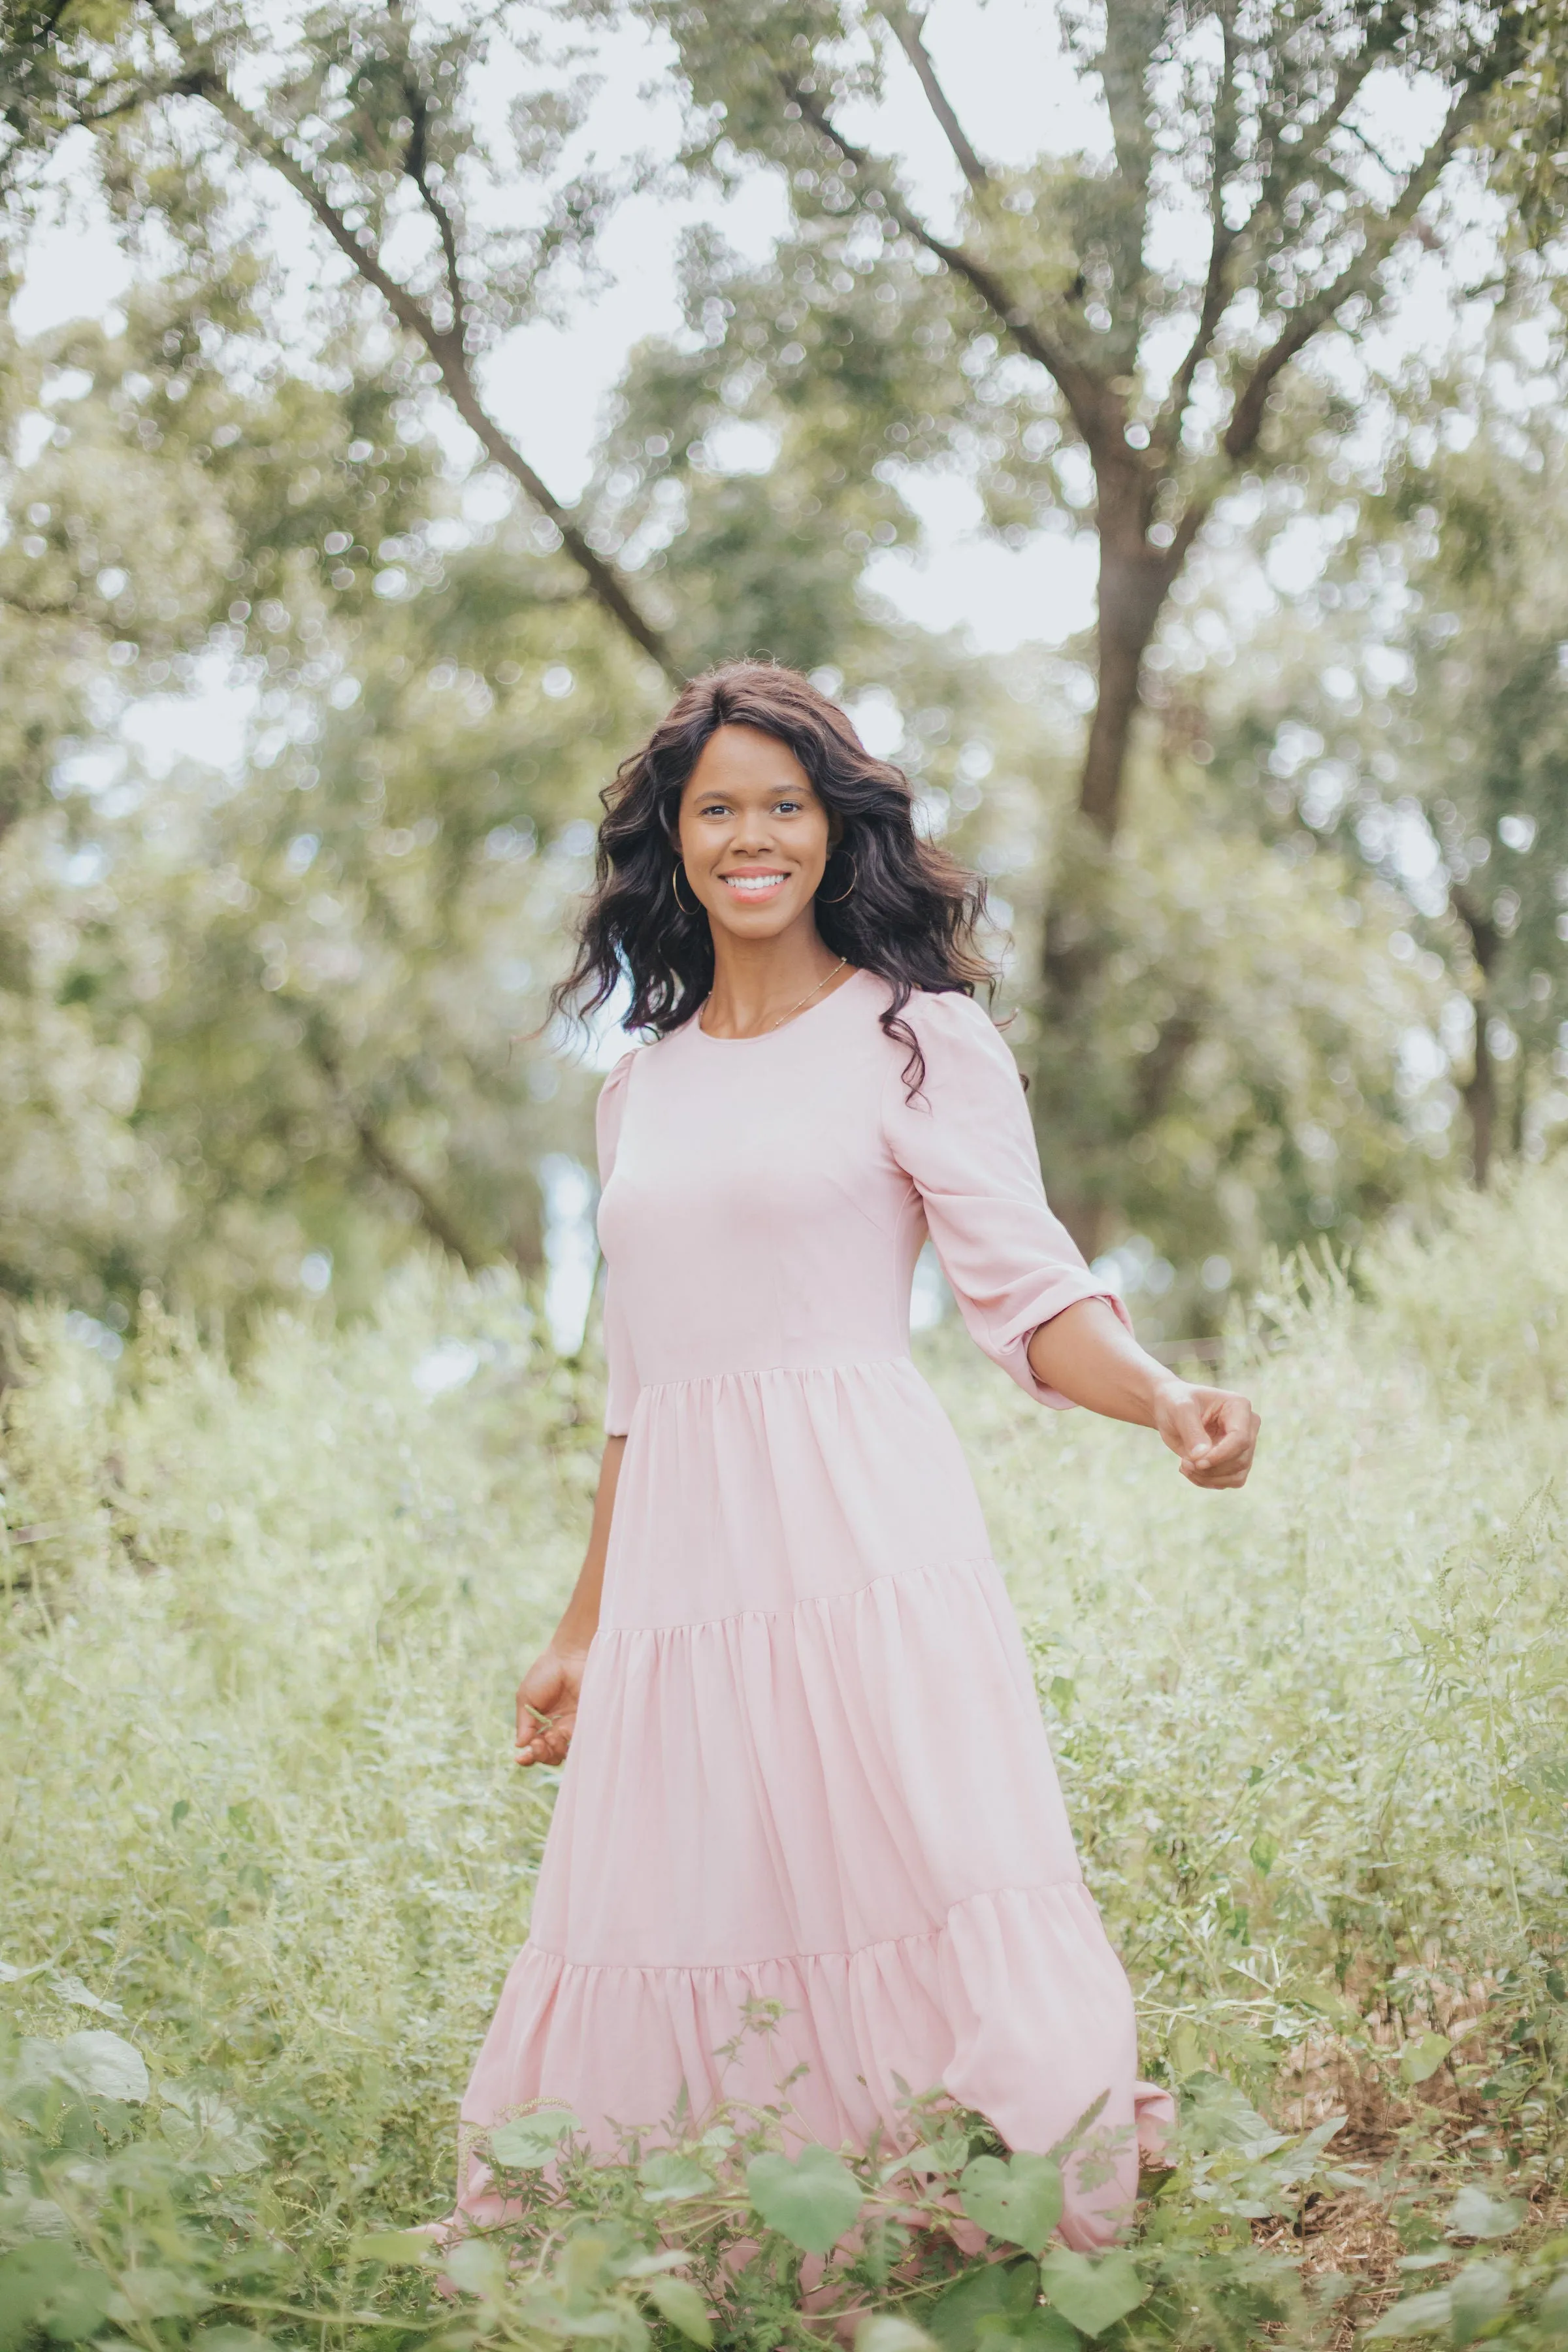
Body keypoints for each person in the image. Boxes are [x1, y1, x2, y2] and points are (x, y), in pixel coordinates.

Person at [456, 662, 1260, 2248]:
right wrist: (583, 1625)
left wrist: (1165, 1395)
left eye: (783, 806)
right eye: (718, 812)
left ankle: (1003, 2202)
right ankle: (727, 2240)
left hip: (863, 1528)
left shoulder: (918, 1039)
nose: (752, 837)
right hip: (689, 1559)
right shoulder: (639, 1094)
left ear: (836, 831)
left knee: (937, 1869)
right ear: (671, 845)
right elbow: (640, 1379)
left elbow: (1024, 1293)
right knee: (700, 1898)